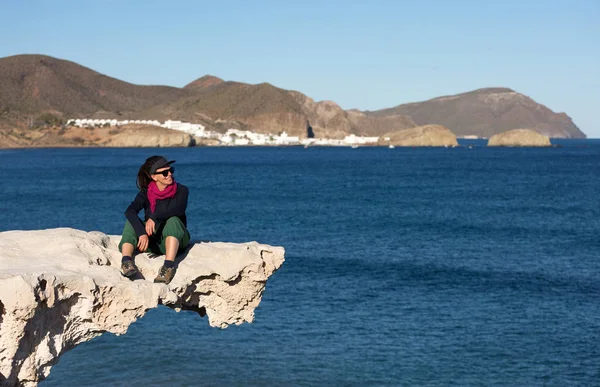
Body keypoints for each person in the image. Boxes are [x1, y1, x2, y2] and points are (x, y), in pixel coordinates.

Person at [119, 155, 190, 284]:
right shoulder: (146, 193)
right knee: (131, 223)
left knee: (173, 220)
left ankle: (168, 267)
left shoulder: (182, 190)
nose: (169, 174)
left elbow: (176, 210)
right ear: (154, 177)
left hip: (176, 240)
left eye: (171, 170)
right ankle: (126, 262)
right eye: (164, 172)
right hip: (155, 241)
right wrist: (141, 233)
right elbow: (130, 211)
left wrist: (153, 217)